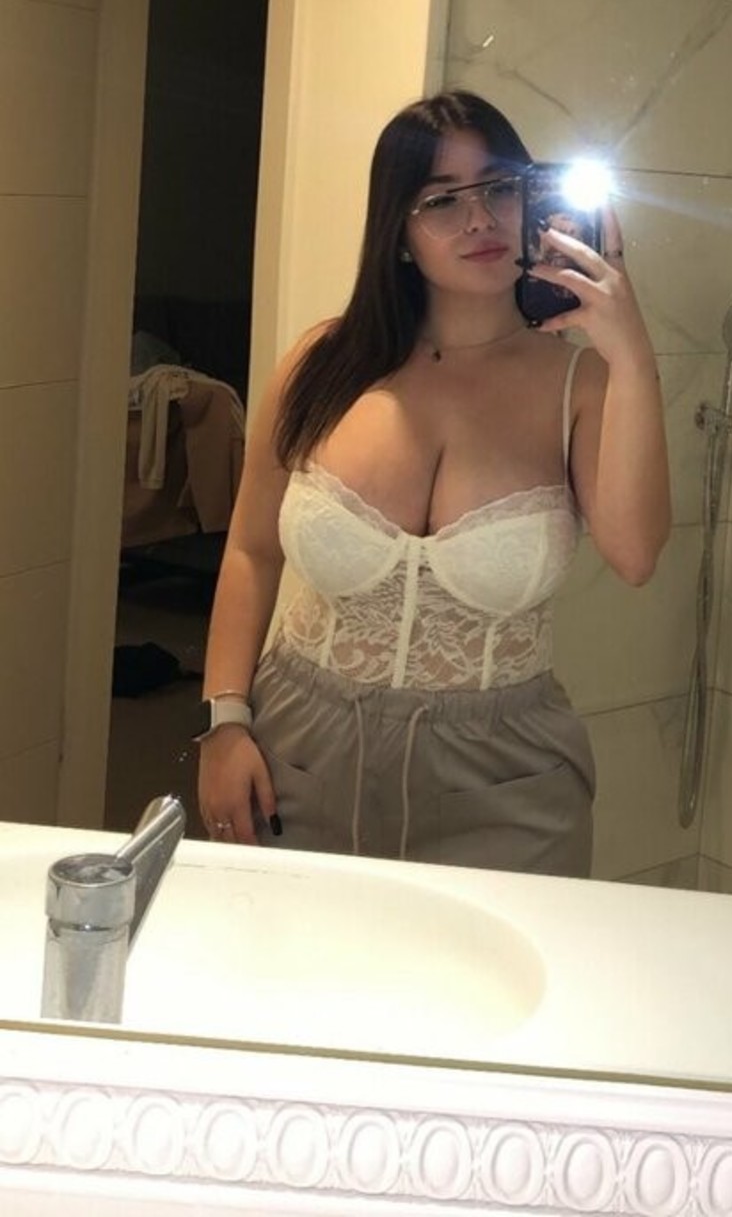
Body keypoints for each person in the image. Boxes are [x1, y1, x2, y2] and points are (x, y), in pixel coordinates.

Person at [196, 90, 671, 877]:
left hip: (507, 783)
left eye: (499, 187)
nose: (480, 218)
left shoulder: (581, 384)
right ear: (400, 233)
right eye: (442, 200)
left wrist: (631, 351)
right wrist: (224, 721)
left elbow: (636, 552)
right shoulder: (322, 365)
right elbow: (251, 549)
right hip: (298, 755)